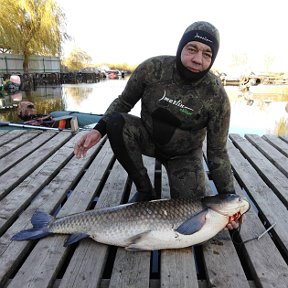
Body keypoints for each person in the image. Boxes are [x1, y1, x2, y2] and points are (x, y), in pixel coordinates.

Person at [74, 21, 241, 229]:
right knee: (116, 123)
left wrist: (229, 198)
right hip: (149, 139)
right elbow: (124, 102)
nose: (198, 59)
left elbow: (217, 152)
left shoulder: (216, 96)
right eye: (192, 49)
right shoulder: (153, 69)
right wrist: (98, 130)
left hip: (185, 155)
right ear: (181, 47)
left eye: (207, 54)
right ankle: (145, 191)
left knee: (194, 213)